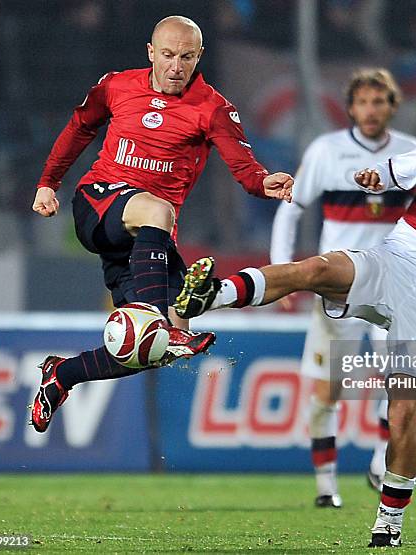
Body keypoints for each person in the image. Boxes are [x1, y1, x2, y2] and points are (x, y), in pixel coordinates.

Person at [175, 94, 416, 547]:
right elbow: (391, 173)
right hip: (392, 261)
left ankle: (389, 523)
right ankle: (211, 295)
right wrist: (373, 179)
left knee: (403, 412)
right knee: (315, 269)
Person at [29, 15, 293, 434]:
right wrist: (48, 183)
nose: (175, 66)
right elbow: (79, 128)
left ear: (199, 56)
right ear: (151, 52)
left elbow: (245, 170)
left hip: (144, 237)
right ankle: (156, 316)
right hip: (100, 202)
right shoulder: (116, 85)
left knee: (153, 348)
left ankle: (62, 375)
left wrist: (266, 182)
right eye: (167, 55)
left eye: (186, 57)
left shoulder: (214, 108)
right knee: (158, 212)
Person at [270, 68, 416, 508]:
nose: (370, 110)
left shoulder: (411, 154)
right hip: (336, 287)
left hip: (393, 287)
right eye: (363, 102)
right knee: (327, 390)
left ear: (392, 106)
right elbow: (291, 209)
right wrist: (283, 273)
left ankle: (379, 462)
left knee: (398, 380)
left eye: (379, 102)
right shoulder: (327, 151)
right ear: (351, 107)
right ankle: (325, 485)